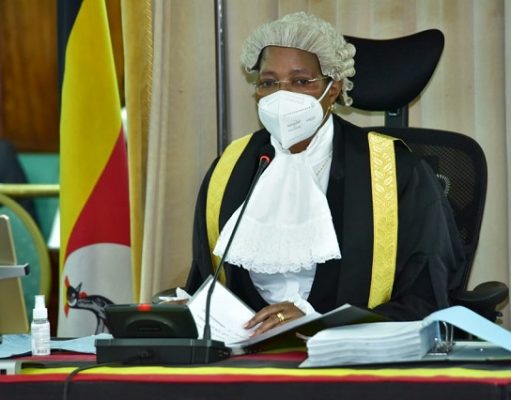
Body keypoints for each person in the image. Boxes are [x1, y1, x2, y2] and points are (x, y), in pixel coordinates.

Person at [185, 12, 465, 336]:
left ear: (334, 88)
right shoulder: (228, 170)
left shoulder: (399, 173)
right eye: (269, 83)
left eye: (301, 81)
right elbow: (206, 282)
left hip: (353, 357)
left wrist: (318, 322)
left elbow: (427, 300)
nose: (282, 95)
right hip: (247, 358)